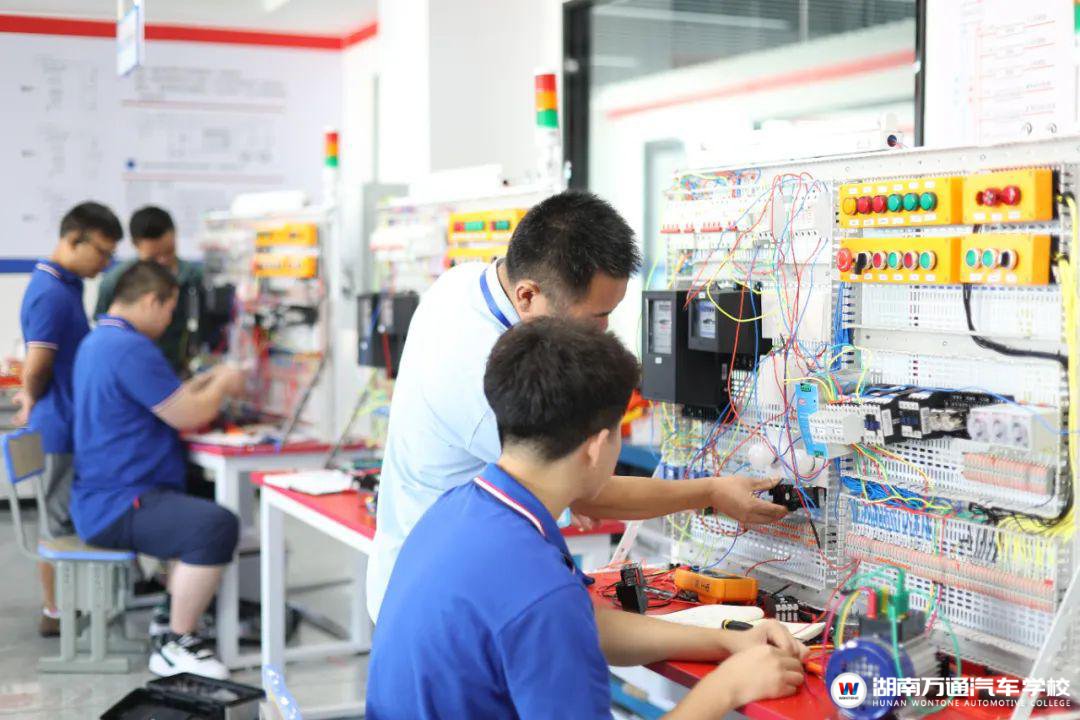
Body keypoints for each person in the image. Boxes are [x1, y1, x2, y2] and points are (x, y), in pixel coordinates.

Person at [368, 190, 787, 620]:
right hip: (440, 602)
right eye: (595, 317)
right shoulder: (478, 381)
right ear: (527, 296)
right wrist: (710, 491)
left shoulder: (462, 282)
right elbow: (592, 494)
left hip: (443, 576)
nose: (603, 331)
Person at [366, 319, 807, 719]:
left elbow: (585, 623)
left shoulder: (458, 511)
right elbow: (554, 614)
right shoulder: (540, 590)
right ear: (597, 447)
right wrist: (727, 688)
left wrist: (726, 641)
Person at [72, 260, 246, 679]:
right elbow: (187, 413)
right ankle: (175, 642)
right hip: (118, 502)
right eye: (169, 310)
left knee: (204, 499)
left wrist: (207, 381)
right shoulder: (129, 348)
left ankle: (175, 611)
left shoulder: (101, 341)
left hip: (109, 492)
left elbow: (171, 396)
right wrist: (224, 385)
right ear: (152, 301)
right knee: (214, 525)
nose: (170, 321)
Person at [14, 201, 123, 637]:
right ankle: (55, 611)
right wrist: (31, 396)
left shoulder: (68, 285)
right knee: (57, 522)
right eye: (102, 252)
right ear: (74, 240)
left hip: (71, 423)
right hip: (57, 428)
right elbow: (37, 365)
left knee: (68, 517)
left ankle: (68, 604)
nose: (106, 263)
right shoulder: (51, 293)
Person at [94, 206, 219, 378]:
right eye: (153, 258)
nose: (163, 262)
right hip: (136, 373)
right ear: (135, 245)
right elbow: (105, 332)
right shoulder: (116, 282)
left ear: (174, 235)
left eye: (169, 252)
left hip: (185, 372)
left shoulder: (196, 278)